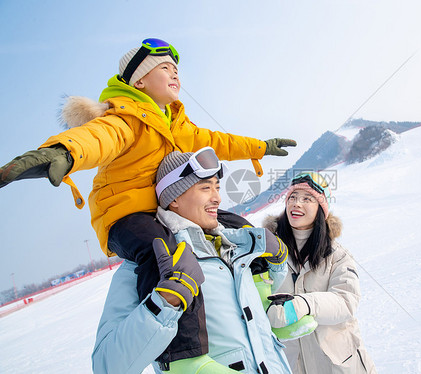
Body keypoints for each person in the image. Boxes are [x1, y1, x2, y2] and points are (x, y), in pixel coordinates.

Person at [0, 38, 295, 365]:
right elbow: (96, 139)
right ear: (139, 81)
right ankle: (183, 357)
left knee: (236, 226)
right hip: (125, 216)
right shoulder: (124, 119)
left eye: (177, 70)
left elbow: (217, 141)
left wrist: (258, 147)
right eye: (165, 68)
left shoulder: (176, 123)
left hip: (162, 208)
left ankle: (267, 301)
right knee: (162, 252)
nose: (175, 75)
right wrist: (62, 152)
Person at [93, 148, 292, 373]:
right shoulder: (151, 263)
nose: (217, 197)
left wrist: (277, 264)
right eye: (205, 187)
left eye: (217, 187)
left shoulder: (232, 244)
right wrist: (164, 301)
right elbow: (106, 365)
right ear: (174, 197)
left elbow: (257, 302)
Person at [263, 172, 377, 373]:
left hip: (339, 364)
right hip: (291, 364)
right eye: (292, 197)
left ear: (321, 210)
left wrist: (305, 304)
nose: (296, 203)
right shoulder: (268, 252)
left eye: (307, 199)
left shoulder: (337, 255)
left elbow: (346, 301)